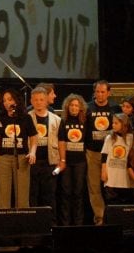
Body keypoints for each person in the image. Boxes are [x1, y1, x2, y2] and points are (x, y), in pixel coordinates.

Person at [84, 80, 122, 225]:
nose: (100, 95)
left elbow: (122, 128)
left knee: (111, 186)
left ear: (108, 93)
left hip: (112, 153)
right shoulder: (87, 108)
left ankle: (113, 217)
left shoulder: (115, 108)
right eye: (97, 92)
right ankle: (99, 218)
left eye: (103, 92)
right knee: (94, 187)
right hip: (92, 152)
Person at [0, 88, 37, 208]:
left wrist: (32, 152)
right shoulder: (0, 117)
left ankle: (22, 222)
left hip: (22, 157)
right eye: (4, 100)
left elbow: (34, 136)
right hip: (3, 158)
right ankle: (3, 222)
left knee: (22, 194)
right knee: (3, 194)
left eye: (10, 99)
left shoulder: (25, 117)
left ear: (16, 101)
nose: (7, 103)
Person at [27, 86, 61, 221]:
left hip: (50, 163)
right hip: (31, 163)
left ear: (46, 100)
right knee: (32, 195)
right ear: (31, 100)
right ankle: (34, 225)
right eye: (35, 100)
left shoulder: (56, 120)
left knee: (50, 196)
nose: (38, 102)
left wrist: (61, 162)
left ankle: (51, 226)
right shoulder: (27, 118)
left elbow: (61, 142)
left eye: (41, 99)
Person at [57, 93, 88, 226]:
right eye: (72, 105)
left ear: (80, 107)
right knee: (66, 192)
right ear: (67, 107)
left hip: (80, 162)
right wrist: (62, 161)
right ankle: (65, 224)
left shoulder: (85, 121)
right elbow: (61, 140)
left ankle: (78, 224)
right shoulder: (63, 121)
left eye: (77, 105)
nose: (74, 108)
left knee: (78, 193)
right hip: (66, 162)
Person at [100, 113, 134, 205]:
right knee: (111, 203)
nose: (113, 125)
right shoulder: (110, 138)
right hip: (111, 177)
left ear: (123, 124)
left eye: (116, 123)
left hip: (124, 177)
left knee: (124, 203)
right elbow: (104, 156)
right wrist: (103, 172)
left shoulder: (130, 138)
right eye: (113, 123)